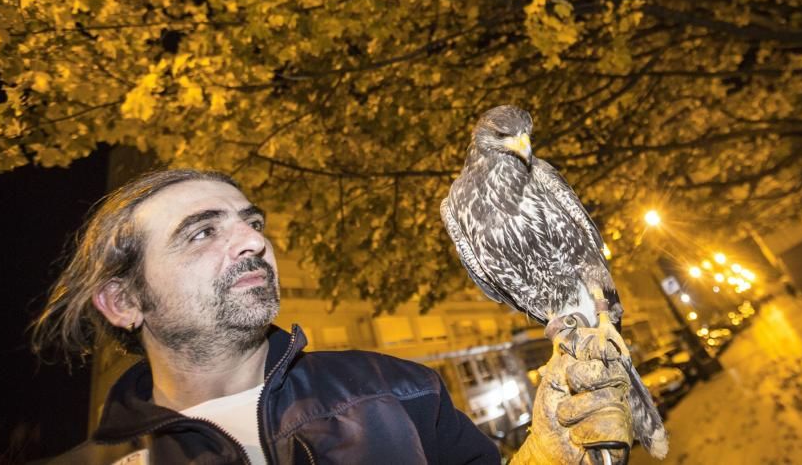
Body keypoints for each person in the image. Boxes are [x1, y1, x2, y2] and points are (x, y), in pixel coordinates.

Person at [32, 169, 635, 464]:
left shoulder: (398, 388)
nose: (252, 241)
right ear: (124, 302)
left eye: (253, 222)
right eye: (203, 232)